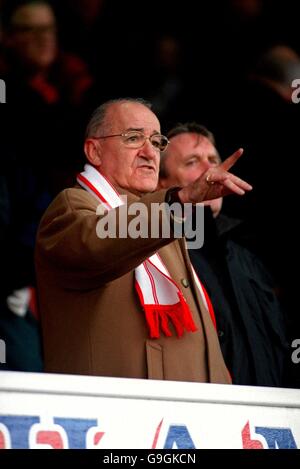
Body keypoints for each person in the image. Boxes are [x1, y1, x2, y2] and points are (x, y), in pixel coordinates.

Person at [35, 98, 252, 382]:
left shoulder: (166, 221)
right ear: (94, 151)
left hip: (192, 417)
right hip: (116, 417)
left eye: (157, 141)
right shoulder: (72, 207)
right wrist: (180, 199)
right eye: (134, 138)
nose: (150, 152)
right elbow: (96, 243)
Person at [158, 122, 289, 386]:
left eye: (214, 160)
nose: (212, 170)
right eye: (192, 162)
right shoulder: (154, 255)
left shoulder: (248, 259)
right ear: (163, 183)